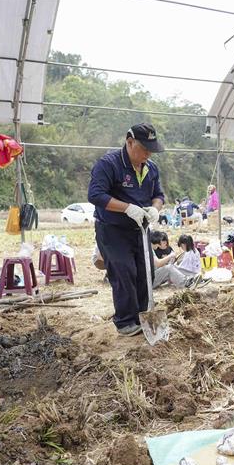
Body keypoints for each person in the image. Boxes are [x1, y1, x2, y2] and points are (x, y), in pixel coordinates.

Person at [88, 123, 164, 337]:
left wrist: (154, 209)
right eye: (144, 148)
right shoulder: (109, 164)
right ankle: (125, 321)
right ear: (130, 142)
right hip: (113, 229)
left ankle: (144, 315)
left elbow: (159, 194)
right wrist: (127, 208)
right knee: (124, 271)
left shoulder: (151, 168)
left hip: (140, 229)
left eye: (151, 150)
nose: (148, 154)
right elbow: (95, 195)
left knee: (146, 270)